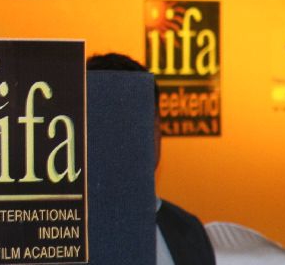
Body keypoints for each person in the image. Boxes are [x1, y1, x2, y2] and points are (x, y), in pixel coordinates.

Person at [86, 53, 216, 265]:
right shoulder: (60, 237)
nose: (126, 139)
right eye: (113, 124)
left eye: (140, 123)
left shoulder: (189, 231)